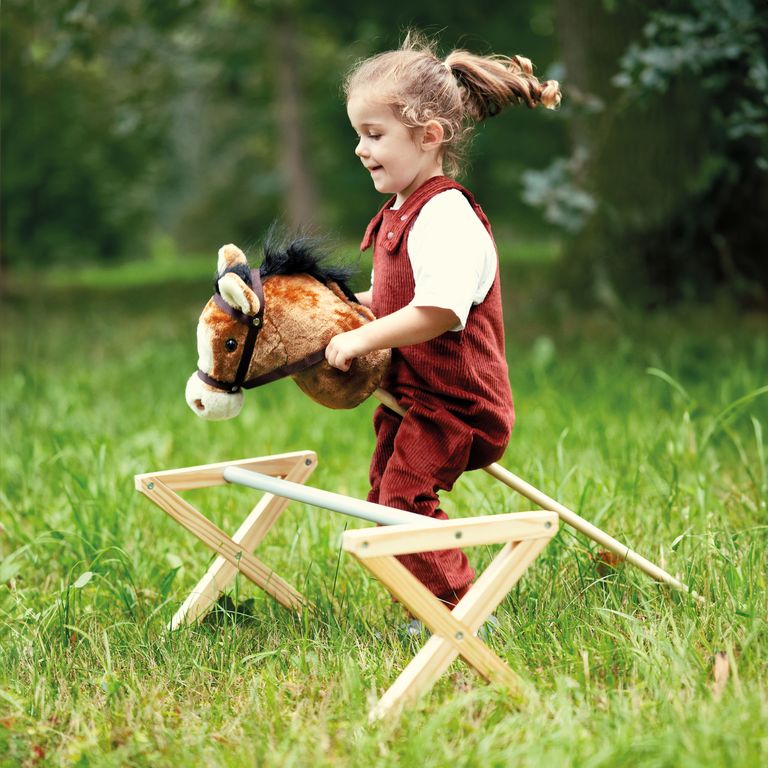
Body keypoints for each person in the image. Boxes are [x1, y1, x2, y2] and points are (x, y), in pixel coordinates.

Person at [325, 32, 561, 612]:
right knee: (383, 496)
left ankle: (461, 612)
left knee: (403, 501)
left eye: (374, 135)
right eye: (359, 134)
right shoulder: (400, 211)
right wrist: (340, 310)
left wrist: (362, 336)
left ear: (431, 136)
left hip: (460, 404)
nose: (361, 148)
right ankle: (425, 605)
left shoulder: (447, 215)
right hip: (417, 396)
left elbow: (437, 311)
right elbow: (393, 293)